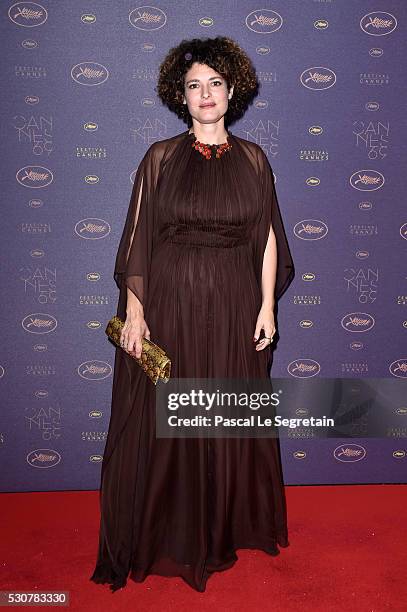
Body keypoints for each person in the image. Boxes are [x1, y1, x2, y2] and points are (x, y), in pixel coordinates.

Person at [90, 35, 295, 593]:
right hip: (173, 303)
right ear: (181, 96)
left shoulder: (254, 158)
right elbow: (137, 240)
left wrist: (265, 305)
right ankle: (173, 532)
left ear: (233, 91)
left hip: (232, 303)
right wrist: (135, 311)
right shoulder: (159, 157)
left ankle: (222, 528)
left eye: (215, 84)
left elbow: (268, 236)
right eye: (194, 86)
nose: (206, 95)